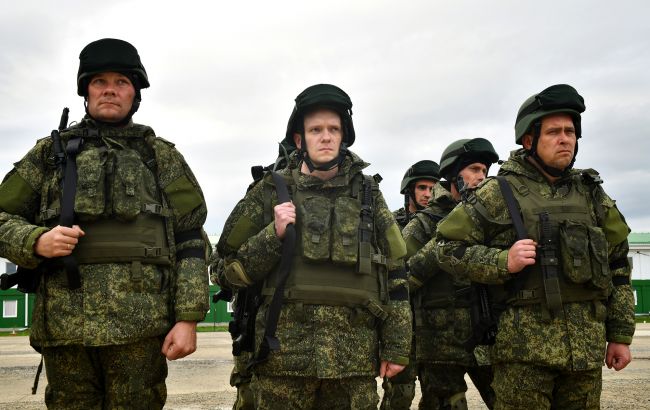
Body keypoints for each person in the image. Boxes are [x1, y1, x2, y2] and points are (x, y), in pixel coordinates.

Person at [0, 38, 210, 408]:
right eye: (99, 81)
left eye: (121, 82)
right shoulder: (49, 155)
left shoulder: (160, 157)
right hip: (66, 330)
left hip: (140, 330)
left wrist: (188, 319)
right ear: (86, 91)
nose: (110, 90)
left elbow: (191, 238)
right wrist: (35, 240)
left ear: (135, 94)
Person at [434, 84, 635, 409]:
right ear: (529, 140)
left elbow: (619, 266)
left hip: (584, 357)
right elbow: (445, 247)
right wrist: (503, 261)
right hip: (522, 358)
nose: (565, 139)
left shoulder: (591, 193)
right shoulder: (498, 192)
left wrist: (620, 335)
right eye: (553, 132)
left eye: (570, 131)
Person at [215, 84, 411, 409]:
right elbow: (222, 270)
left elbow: (396, 276)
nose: (326, 137)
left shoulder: (369, 194)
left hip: (353, 365)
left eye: (334, 129)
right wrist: (272, 236)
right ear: (299, 139)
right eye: (316, 130)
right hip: (282, 363)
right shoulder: (269, 191)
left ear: (344, 136)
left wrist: (397, 347)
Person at [402, 138, 498, 409]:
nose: (481, 177)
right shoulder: (424, 222)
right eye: (474, 169)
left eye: (484, 170)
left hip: (487, 339)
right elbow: (399, 280)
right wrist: (443, 243)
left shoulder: (494, 217)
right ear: (454, 174)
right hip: (440, 344)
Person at [393, 161, 440, 229]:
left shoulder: (442, 221)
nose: (428, 195)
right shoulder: (392, 222)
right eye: (422, 188)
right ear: (409, 191)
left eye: (432, 189)